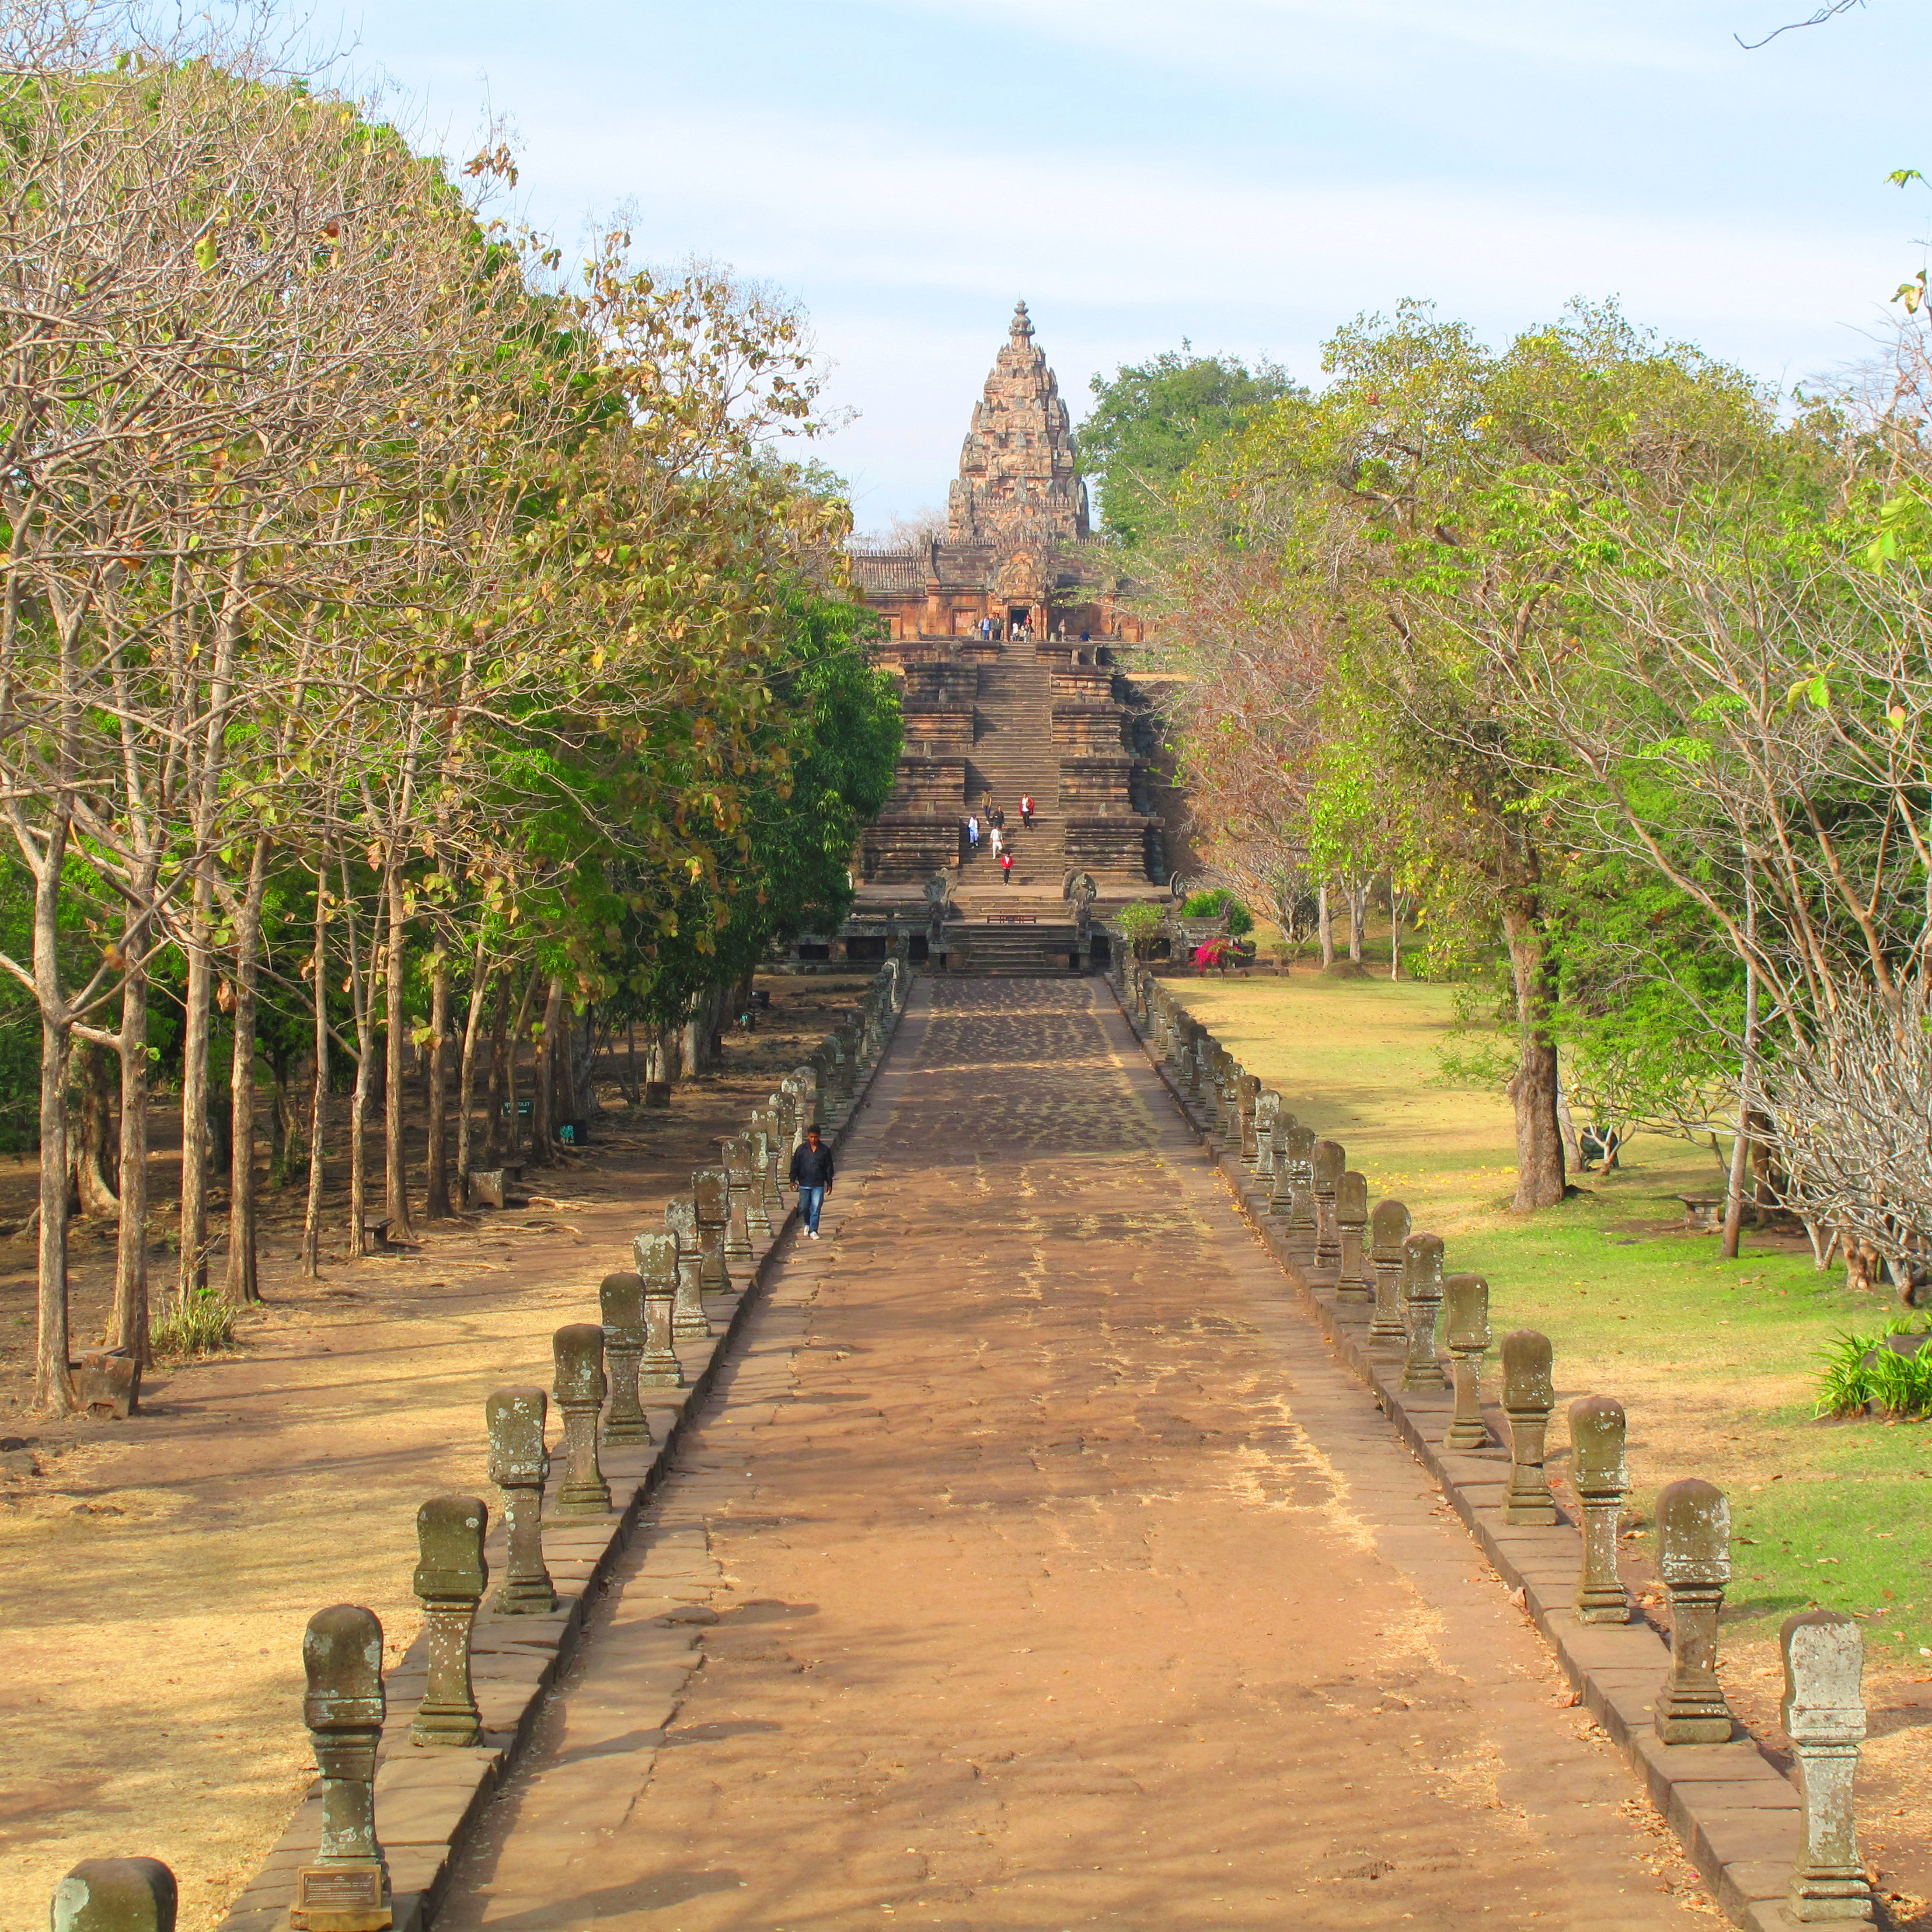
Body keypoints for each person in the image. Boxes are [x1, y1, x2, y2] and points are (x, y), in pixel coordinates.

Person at [789, 1124, 835, 1239]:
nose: (813, 1140)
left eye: (815, 1137)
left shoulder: (825, 1151)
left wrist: (829, 1183)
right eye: (811, 1137)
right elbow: (795, 1165)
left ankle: (814, 1230)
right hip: (804, 1183)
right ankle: (807, 1223)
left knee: (816, 1207)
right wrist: (792, 1180)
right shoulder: (801, 1150)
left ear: (819, 1137)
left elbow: (828, 1168)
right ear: (808, 1137)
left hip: (818, 1184)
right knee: (804, 1207)